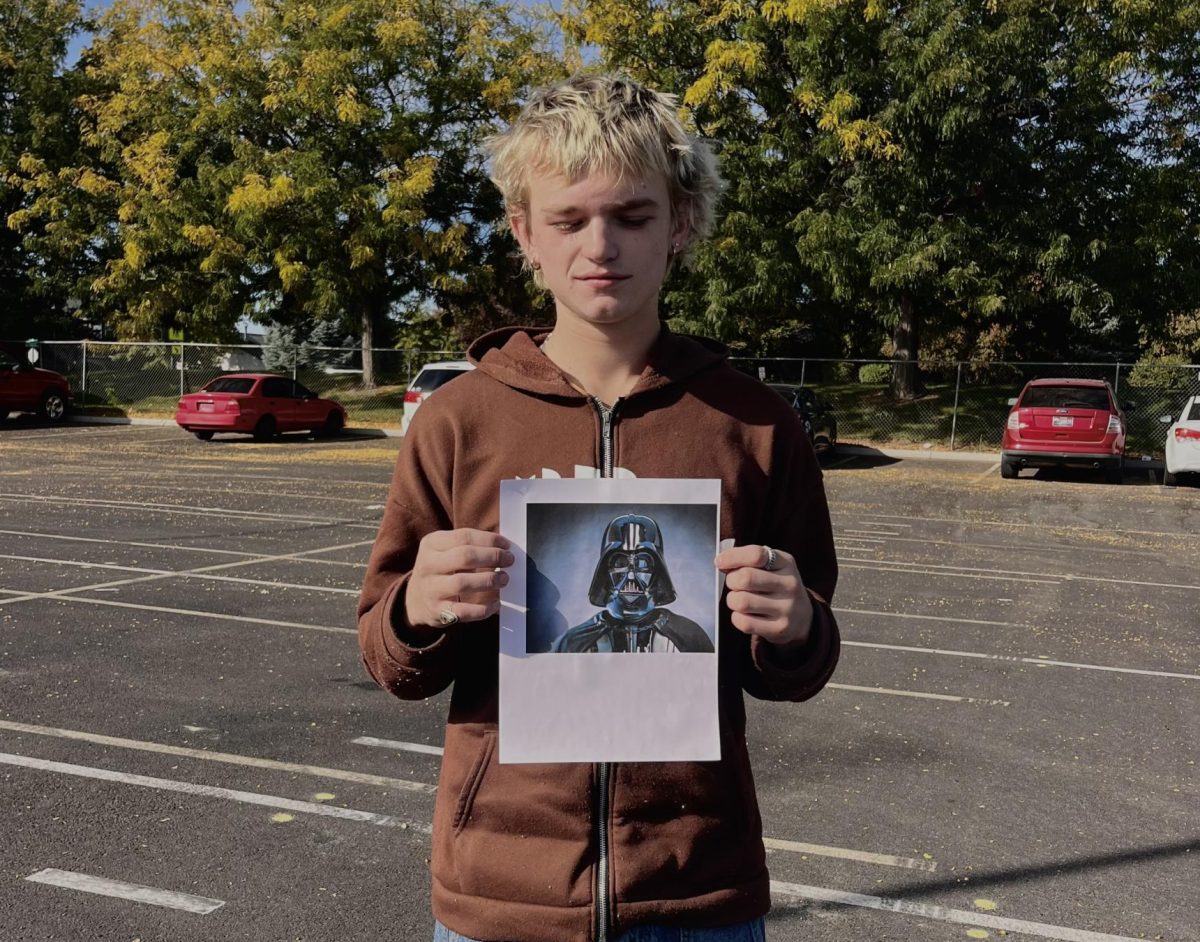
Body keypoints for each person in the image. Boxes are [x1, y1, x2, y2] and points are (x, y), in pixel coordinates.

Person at [357, 73, 840, 942]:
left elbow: (803, 664)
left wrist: (795, 623)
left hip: (698, 890)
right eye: (569, 220)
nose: (601, 245)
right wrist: (416, 608)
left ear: (681, 223)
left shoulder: (756, 425)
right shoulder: (459, 422)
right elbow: (390, 657)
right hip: (502, 895)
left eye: (632, 216)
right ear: (525, 236)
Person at [550, 512, 714, 653]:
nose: (630, 576)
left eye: (642, 563)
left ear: (658, 572)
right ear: (604, 571)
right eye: (620, 563)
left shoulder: (689, 636)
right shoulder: (574, 643)